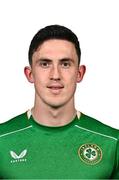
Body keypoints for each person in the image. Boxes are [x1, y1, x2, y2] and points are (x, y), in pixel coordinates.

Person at [0, 25, 119, 179]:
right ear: (30, 74)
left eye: (65, 64)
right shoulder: (2, 140)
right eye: (45, 64)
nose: (55, 75)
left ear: (79, 73)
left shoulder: (112, 143)